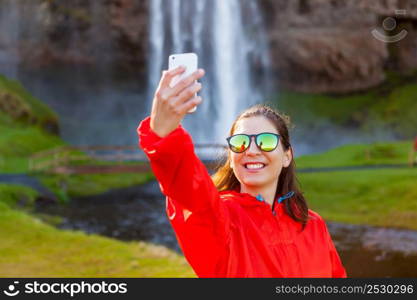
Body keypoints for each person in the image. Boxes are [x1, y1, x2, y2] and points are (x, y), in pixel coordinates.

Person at [137, 66, 347, 278]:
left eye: (265, 141)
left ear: (287, 155)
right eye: (240, 142)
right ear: (231, 156)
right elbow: (189, 191)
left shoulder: (313, 224)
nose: (251, 150)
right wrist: (164, 134)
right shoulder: (222, 221)